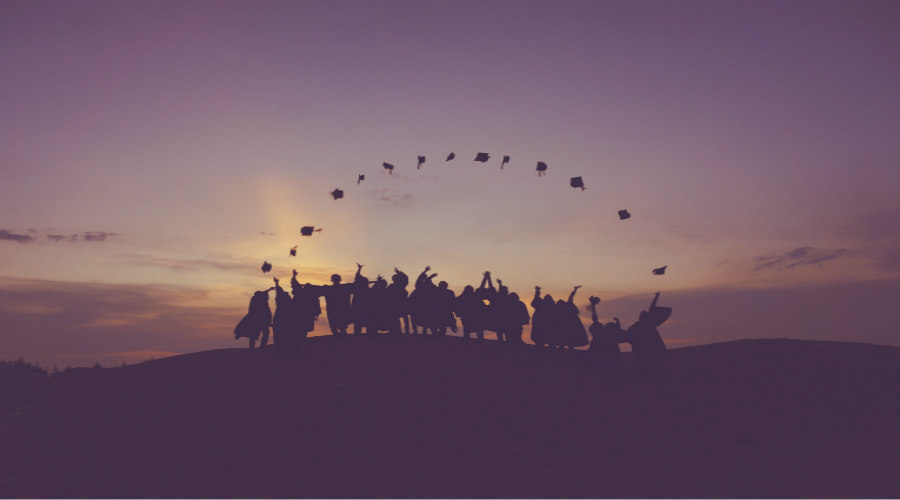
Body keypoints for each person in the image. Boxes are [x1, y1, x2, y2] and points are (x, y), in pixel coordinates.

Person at [626, 292, 670, 374]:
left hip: (651, 345)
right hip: (643, 346)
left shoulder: (649, 323)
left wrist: (656, 297)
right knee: (645, 361)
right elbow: (630, 334)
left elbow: (651, 308)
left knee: (650, 360)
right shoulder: (645, 324)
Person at [586, 296, 622, 372]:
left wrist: (593, 307)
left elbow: (595, 318)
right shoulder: (604, 336)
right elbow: (595, 318)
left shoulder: (601, 335)